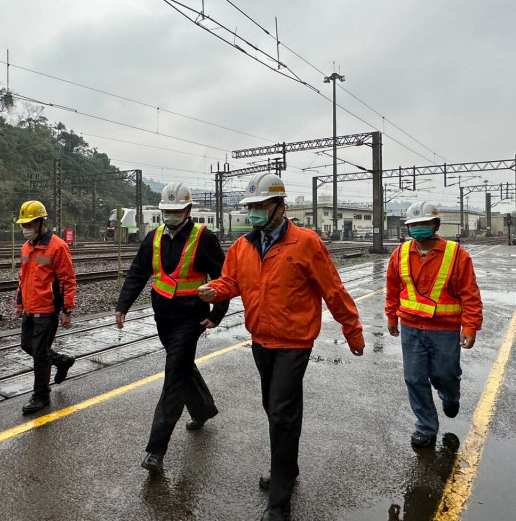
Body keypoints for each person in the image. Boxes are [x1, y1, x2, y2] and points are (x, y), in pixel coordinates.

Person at [198, 172, 364, 521]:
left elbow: (332, 289)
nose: (254, 212)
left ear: (279, 206)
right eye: (251, 206)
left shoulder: (306, 243)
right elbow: (232, 280)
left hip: (294, 341)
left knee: (280, 412)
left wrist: (353, 331)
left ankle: (279, 501)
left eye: (261, 205)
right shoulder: (244, 246)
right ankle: (286, 467)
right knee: (277, 409)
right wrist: (217, 291)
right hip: (261, 340)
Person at [115, 182, 229, 473]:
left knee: (174, 375)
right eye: (166, 210)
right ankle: (203, 408)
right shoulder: (153, 237)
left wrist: (218, 313)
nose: (170, 214)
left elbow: (224, 278)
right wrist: (123, 305)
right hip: (163, 317)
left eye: (176, 210)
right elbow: (138, 272)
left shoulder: (204, 238)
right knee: (181, 365)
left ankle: (156, 449)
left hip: (192, 319)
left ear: (188, 210)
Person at [385, 201, 482, 448]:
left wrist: (470, 327)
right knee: (414, 378)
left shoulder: (457, 255)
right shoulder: (400, 254)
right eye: (414, 225)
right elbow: (392, 289)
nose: (418, 229)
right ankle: (426, 428)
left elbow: (470, 294)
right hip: (410, 328)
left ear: (436, 225)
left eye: (424, 224)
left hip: (445, 331)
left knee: (445, 375)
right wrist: (391, 316)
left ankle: (450, 396)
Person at [14, 200, 77, 415]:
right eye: (24, 224)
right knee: (27, 346)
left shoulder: (58, 247)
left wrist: (67, 310)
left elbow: (68, 280)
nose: (26, 229)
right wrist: (20, 302)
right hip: (30, 309)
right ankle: (62, 361)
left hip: (48, 310)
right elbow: (23, 278)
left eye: (30, 224)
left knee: (40, 354)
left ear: (41, 222)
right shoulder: (26, 247)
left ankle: (41, 395)